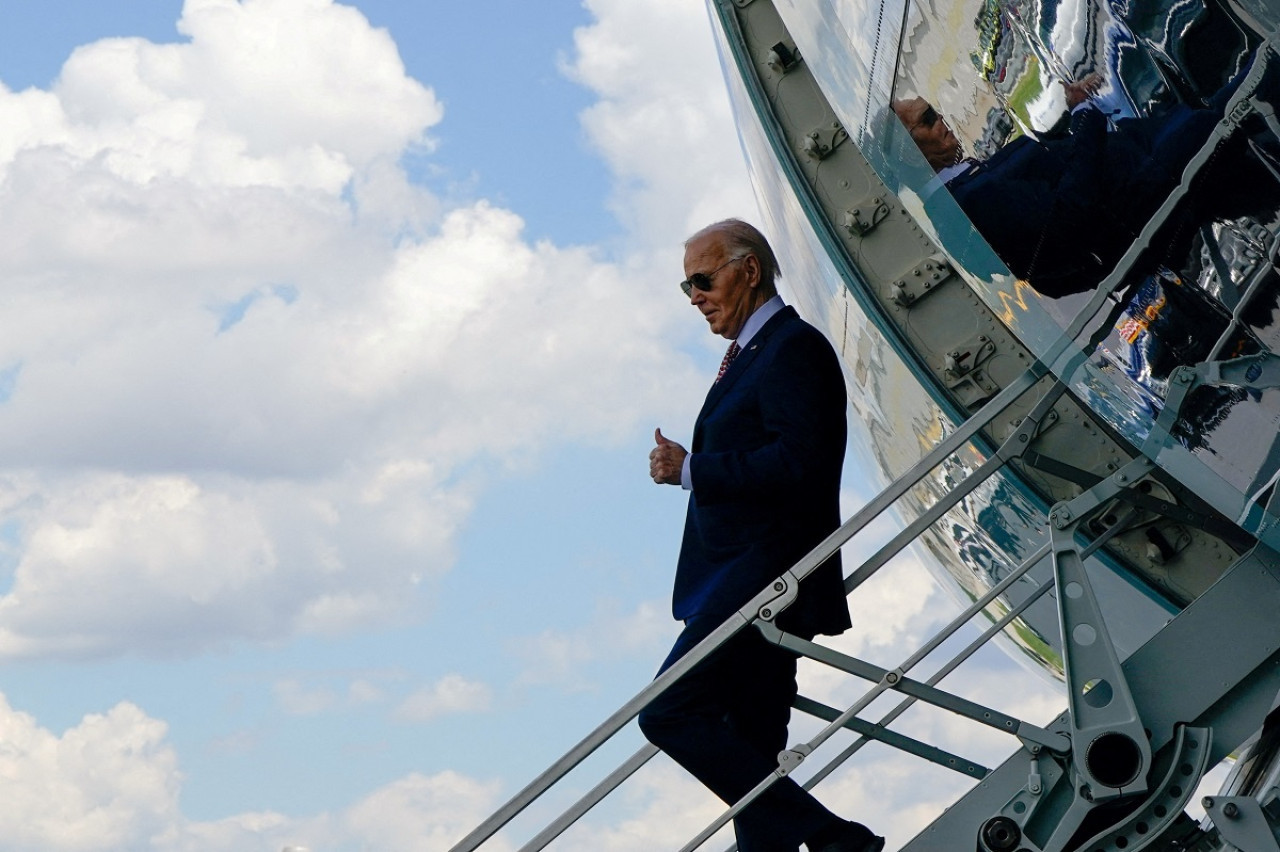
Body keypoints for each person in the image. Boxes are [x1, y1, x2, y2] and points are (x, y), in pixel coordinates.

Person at [639, 219, 881, 852]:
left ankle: (836, 839)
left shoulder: (790, 346)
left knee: (670, 711)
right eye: (686, 284)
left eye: (703, 277)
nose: (695, 295)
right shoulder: (755, 352)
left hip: (762, 580)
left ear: (748, 270)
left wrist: (694, 469)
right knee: (750, 748)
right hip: (748, 578)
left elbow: (798, 463)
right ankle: (821, 841)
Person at [893, 57, 1279, 297]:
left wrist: (1071, 114)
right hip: (1148, 181)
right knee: (1253, 87)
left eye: (934, 111)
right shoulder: (970, 204)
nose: (941, 121)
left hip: (1144, 169)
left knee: (1242, 127)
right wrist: (1083, 118)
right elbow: (1071, 211)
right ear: (909, 153)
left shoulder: (960, 193)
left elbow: (1038, 178)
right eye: (927, 120)